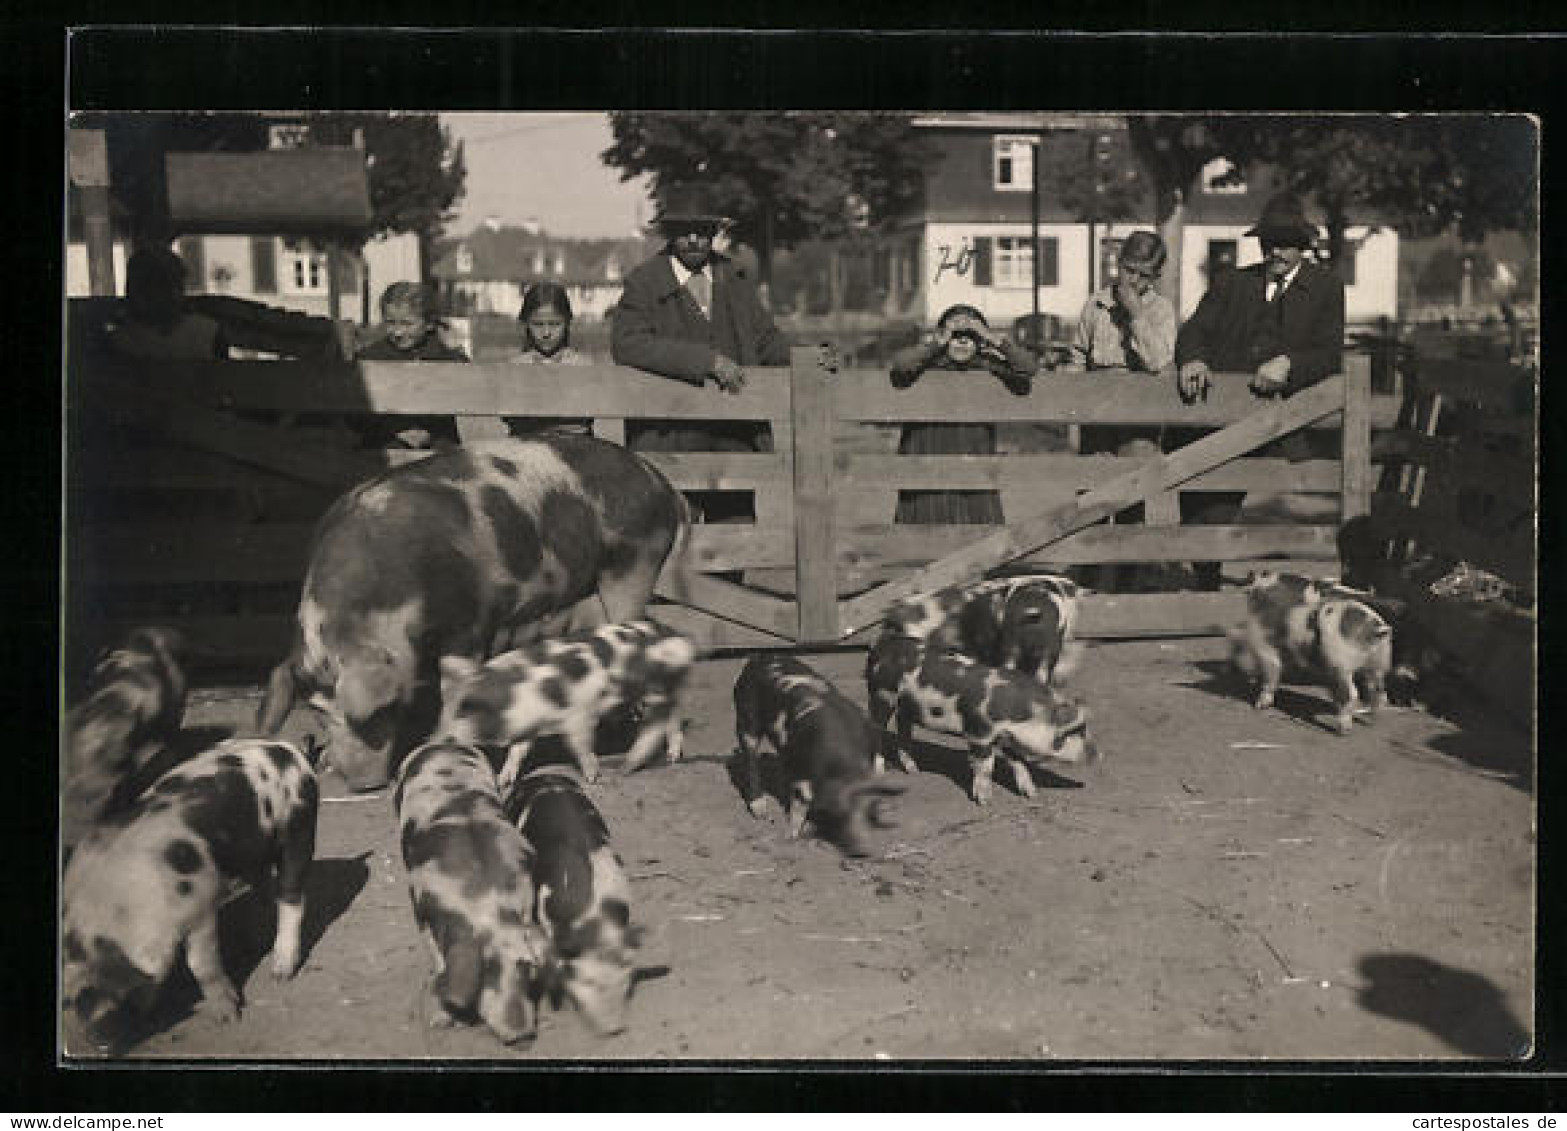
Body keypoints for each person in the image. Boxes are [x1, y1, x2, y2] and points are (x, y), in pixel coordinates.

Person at [1173, 192, 1348, 587]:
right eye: (1269, 242)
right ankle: (1204, 586)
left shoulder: (1325, 288)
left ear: (1303, 247)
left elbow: (1330, 352)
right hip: (1222, 419)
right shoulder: (1233, 283)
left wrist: (1290, 364)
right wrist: (1194, 359)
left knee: (1285, 510)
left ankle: (1288, 595)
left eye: (1286, 243)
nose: (1276, 251)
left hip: (1288, 425)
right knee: (1208, 507)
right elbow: (1194, 331)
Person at [611, 182, 792, 521]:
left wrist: (809, 358)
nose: (694, 240)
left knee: (735, 536)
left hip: (733, 434)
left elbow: (766, 340)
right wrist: (705, 362)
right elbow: (627, 342)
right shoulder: (644, 283)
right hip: (670, 437)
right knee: (673, 540)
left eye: (702, 231)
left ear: (714, 232)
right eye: (683, 232)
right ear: (668, 233)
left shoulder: (734, 278)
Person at [887, 303, 1038, 525]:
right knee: (923, 528)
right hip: (929, 452)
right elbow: (900, 364)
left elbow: (1028, 367)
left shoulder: (987, 365)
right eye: (956, 335)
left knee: (977, 529)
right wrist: (937, 342)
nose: (963, 341)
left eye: (971, 336)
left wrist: (991, 337)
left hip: (973, 456)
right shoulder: (928, 363)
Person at [355, 281, 469, 451]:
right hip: (385, 439)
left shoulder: (443, 354)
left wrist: (455, 351)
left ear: (429, 324)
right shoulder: (372, 356)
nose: (398, 332)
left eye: (407, 324)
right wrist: (394, 431)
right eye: (390, 323)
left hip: (437, 437)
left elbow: (468, 388)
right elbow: (356, 414)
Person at [1070, 230, 1177, 375]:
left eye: (1144, 275)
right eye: (1129, 270)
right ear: (1119, 264)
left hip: (1142, 390)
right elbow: (1079, 357)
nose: (1134, 280)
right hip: (1097, 388)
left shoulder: (1161, 309)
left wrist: (1137, 315)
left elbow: (1159, 362)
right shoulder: (1097, 304)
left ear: (1155, 277)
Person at [106, 246, 229, 361]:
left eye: (178, 286)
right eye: (159, 286)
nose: (173, 294)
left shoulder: (208, 333)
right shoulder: (120, 341)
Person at [505, 281, 593, 438]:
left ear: (567, 322)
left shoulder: (582, 366)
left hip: (574, 446)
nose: (546, 332)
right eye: (538, 324)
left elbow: (584, 421)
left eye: (554, 324)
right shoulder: (516, 366)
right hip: (527, 444)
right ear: (526, 323)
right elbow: (509, 418)